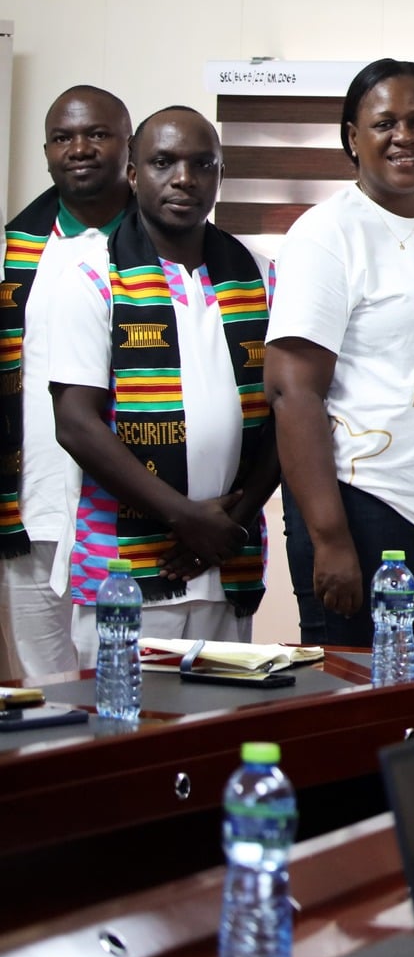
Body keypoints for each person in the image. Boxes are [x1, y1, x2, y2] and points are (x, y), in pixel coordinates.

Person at [266, 60, 414, 653]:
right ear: (352, 137)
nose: (404, 136)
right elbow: (293, 390)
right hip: (364, 502)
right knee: (356, 694)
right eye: (385, 122)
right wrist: (329, 537)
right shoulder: (326, 232)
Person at [44, 107, 279, 653]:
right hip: (122, 574)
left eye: (203, 164)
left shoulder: (262, 273)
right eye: (163, 162)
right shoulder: (92, 277)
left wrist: (229, 525)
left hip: (226, 560)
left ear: (220, 175)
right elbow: (76, 424)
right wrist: (185, 518)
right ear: (133, 173)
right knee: (123, 708)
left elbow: (289, 411)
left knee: (222, 708)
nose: (184, 179)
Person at [3, 87, 132, 677]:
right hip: (35, 505)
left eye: (97, 134)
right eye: (63, 138)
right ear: (47, 152)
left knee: (129, 682)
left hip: (133, 509)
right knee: (43, 686)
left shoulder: (169, 242)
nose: (79, 149)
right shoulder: (13, 250)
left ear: (128, 145)